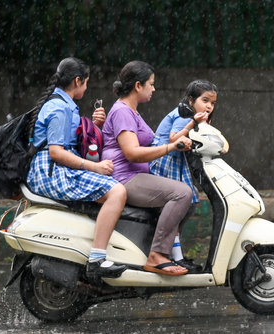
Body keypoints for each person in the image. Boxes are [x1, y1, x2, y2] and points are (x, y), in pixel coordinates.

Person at [26, 57, 127, 280]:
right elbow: (56, 152)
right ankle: (97, 259)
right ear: (78, 80)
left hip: (53, 168)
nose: (86, 87)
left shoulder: (63, 105)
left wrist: (95, 125)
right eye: (86, 83)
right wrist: (95, 166)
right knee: (117, 192)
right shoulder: (59, 108)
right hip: (51, 172)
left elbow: (73, 143)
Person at [93, 60, 193, 276]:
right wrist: (170, 147)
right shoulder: (122, 112)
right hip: (125, 177)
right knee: (182, 193)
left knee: (188, 197)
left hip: (136, 174)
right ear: (138, 86)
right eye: (151, 84)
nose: (154, 89)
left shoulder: (132, 111)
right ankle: (157, 255)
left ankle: (168, 253)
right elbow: (132, 152)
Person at [149, 80, 218, 271]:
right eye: (205, 100)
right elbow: (174, 138)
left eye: (212, 103)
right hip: (165, 160)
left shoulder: (193, 117)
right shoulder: (184, 113)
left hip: (175, 161)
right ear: (191, 100)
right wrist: (193, 123)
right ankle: (176, 256)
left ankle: (176, 253)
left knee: (191, 201)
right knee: (184, 202)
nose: (209, 106)